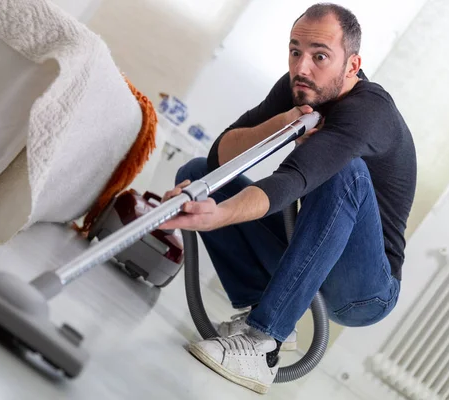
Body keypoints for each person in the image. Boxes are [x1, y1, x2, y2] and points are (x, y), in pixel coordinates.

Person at [160, 3, 416, 394]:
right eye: (295, 51)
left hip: (364, 289)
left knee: (345, 172)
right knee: (197, 174)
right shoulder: (298, 85)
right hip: (312, 249)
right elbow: (220, 157)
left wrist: (219, 214)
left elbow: (291, 180)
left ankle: (262, 342)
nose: (302, 67)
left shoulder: (369, 112)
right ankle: (256, 310)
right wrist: (281, 122)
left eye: (320, 56)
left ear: (352, 65)